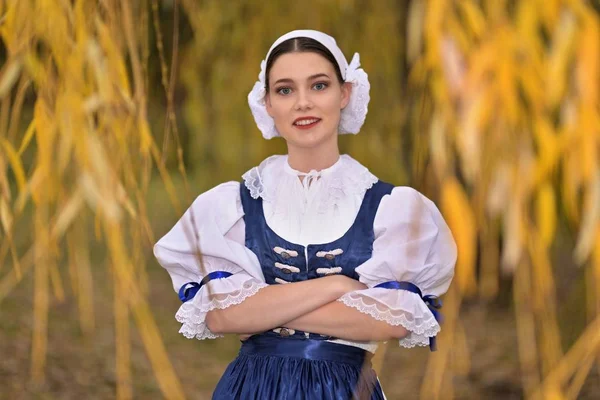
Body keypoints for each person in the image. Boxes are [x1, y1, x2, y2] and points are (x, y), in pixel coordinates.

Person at [153, 29, 457, 400]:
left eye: (318, 85)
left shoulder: (394, 208)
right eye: (285, 89)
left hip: (346, 390)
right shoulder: (233, 206)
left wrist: (261, 309)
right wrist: (335, 287)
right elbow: (220, 317)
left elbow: (390, 321)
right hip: (252, 389)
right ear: (267, 102)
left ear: (345, 93)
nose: (302, 103)